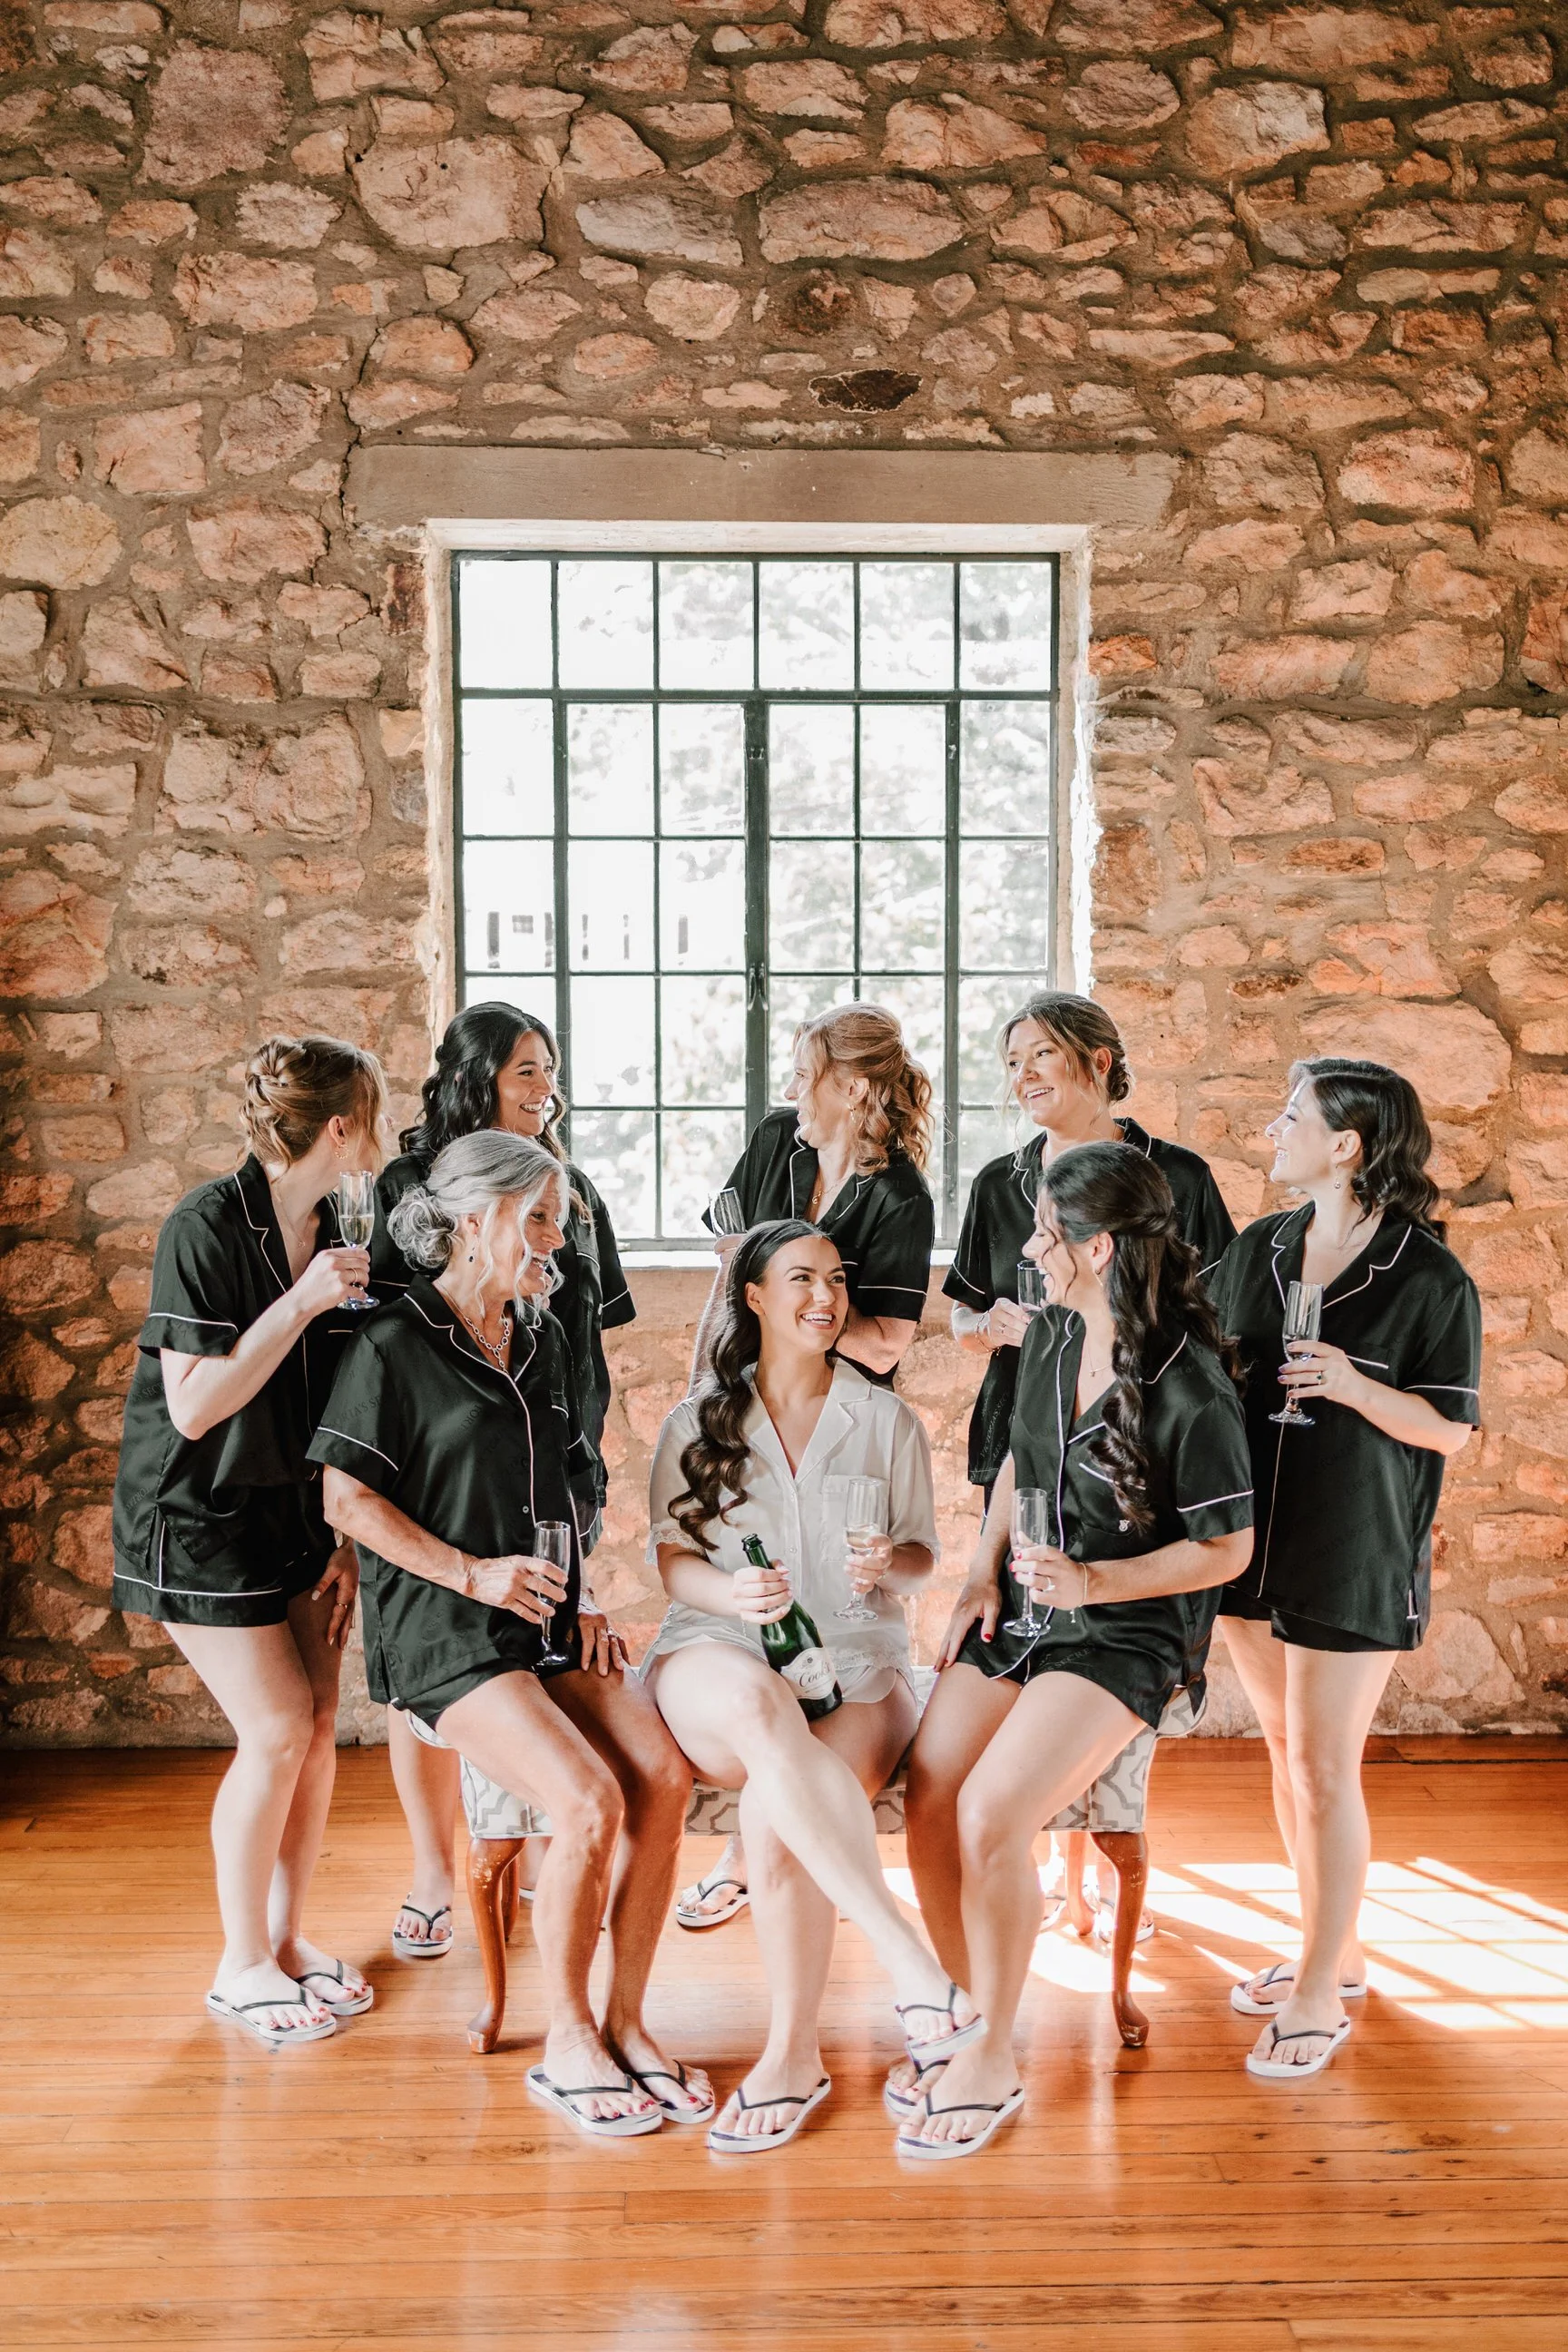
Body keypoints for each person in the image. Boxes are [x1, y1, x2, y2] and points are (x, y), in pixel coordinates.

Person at [311, 1132, 705, 2137]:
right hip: (443, 1629)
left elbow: (562, 1493)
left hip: (541, 1616)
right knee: (585, 1801)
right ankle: (568, 2036)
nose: (556, 1245)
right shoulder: (391, 1342)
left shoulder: (537, 1341)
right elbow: (346, 1501)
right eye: (538, 1221)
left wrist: (583, 1598)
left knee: (661, 1774)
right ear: (473, 1221)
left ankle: (627, 2020)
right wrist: (473, 1572)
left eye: (559, 1224)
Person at [897, 1143, 1253, 2154]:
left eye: (1045, 1232)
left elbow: (1228, 1547)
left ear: (1093, 1247)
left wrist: (1100, 1581)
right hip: (1022, 1610)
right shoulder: (1051, 1332)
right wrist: (978, 1573)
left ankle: (994, 2055)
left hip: (1124, 1634)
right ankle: (966, 2002)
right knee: (931, 1781)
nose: (1029, 1247)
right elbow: (1018, 1456)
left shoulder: (1191, 1383)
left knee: (990, 1812)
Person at [645, 1219, 981, 2152]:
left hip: (861, 1666)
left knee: (770, 1816)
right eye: (800, 1279)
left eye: (836, 1279)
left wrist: (890, 1563)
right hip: (717, 1652)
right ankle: (914, 1966)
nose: (825, 1298)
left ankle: (792, 2055)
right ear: (752, 1296)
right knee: (758, 1709)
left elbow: (922, 1557)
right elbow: (671, 1560)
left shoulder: (884, 1418)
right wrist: (731, 1590)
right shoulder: (695, 1421)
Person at [110, 1034, 388, 2047]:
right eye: (378, 1109)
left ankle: (283, 1939)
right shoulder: (204, 1222)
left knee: (316, 1723)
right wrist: (305, 1298)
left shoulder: (343, 1222)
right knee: (273, 1729)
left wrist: (347, 1531)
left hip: (294, 1510)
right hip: (194, 1513)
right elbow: (193, 1409)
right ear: (344, 1124)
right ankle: (237, 1965)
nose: (385, 1129)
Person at [1212, 1059, 1480, 2081]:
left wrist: (1358, 1387)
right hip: (1256, 1537)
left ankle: (1321, 1989)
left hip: (1356, 1542)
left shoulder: (1430, 1277)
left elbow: (1448, 1430)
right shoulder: (1260, 1247)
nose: (1273, 1128)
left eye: (1293, 1116)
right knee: (1286, 1754)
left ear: (1347, 1146)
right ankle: (1336, 1948)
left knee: (1326, 1767)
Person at [370, 1003, 634, 1961]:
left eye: (550, 1073)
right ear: (477, 1077)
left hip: (552, 1445)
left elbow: (588, 1332)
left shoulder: (576, 1190)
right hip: (442, 1470)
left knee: (543, 1649)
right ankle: (440, 1874)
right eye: (526, 1071)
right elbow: (393, 1356)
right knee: (438, 1696)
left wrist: (576, 1457)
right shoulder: (409, 1188)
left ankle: (537, 1866)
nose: (543, 1090)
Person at [681, 1002, 936, 1929]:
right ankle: (763, 1838)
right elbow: (729, 1263)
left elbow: (890, 1337)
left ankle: (760, 1853)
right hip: (740, 1395)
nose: (791, 1089)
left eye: (805, 1071)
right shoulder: (776, 1144)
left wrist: (803, 1311)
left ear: (854, 1087)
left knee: (832, 1604)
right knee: (744, 1590)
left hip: (838, 1420)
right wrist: (711, 1364)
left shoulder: (900, 1194)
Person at [946, 991, 1235, 1511]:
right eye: (1013, 1062)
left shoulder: (1181, 1178)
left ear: (1099, 1061)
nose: (1023, 1075)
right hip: (1022, 1431)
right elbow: (962, 1316)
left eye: (1041, 1054)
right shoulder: (996, 1184)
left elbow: (1220, 1314)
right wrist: (985, 1327)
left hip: (1141, 1427)